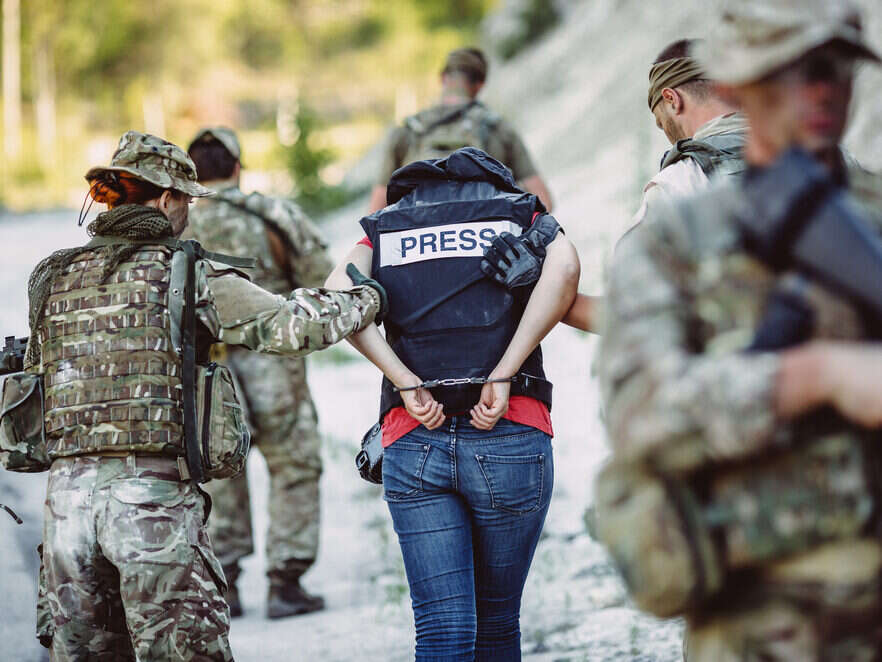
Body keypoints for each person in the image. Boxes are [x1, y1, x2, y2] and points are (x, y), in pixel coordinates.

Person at [25, 131, 384, 661]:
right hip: (151, 513)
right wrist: (367, 297)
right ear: (168, 198)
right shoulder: (185, 269)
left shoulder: (52, 276)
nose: (188, 212)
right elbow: (291, 328)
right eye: (186, 201)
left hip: (64, 517)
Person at [594, 1, 882, 658]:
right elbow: (639, 416)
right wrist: (815, 376)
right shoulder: (677, 234)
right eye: (792, 71)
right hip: (763, 625)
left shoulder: (875, 214)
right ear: (735, 84)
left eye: (835, 69)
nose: (821, 91)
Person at [327, 147, 580, 661]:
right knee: (497, 623)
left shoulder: (385, 227)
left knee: (442, 630)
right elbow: (568, 271)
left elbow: (338, 292)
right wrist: (506, 369)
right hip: (510, 431)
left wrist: (402, 379)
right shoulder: (519, 213)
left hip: (413, 437)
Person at [484, 38, 747, 334]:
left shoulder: (680, 182)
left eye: (662, 124)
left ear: (672, 99)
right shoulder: (799, 153)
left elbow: (629, 319)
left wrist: (536, 287)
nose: (666, 135)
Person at [184, 127, 332, 619]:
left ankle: (224, 582)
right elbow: (322, 280)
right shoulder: (272, 212)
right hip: (274, 356)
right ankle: (286, 582)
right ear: (237, 167)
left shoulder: (177, 223)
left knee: (219, 471)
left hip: (206, 366)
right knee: (294, 463)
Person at [368, 47, 553, 213]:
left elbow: (376, 210)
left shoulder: (408, 131)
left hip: (421, 239)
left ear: (442, 78)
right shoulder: (498, 129)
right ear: (480, 85)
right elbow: (544, 202)